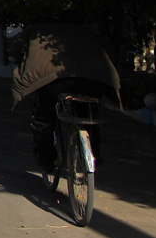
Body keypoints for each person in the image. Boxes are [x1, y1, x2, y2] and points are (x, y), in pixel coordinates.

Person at [10, 23, 121, 170]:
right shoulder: (85, 28)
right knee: (89, 114)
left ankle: (46, 161)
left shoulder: (38, 28)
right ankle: (95, 154)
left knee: (43, 118)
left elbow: (14, 51)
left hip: (54, 80)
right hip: (94, 79)